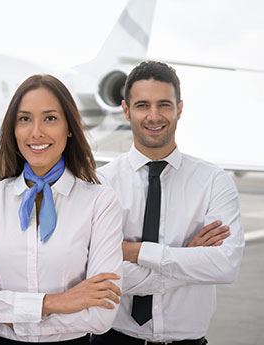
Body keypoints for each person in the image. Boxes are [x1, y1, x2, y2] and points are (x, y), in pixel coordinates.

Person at [0, 74, 124, 344]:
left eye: (50, 118)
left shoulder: (100, 202)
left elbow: (100, 315)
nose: (36, 132)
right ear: (13, 129)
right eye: (24, 119)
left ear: (69, 128)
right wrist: (56, 303)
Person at [92, 61, 244, 344]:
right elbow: (99, 275)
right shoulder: (100, 183)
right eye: (142, 106)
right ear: (126, 110)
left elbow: (225, 265)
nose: (153, 116)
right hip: (113, 338)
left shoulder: (214, 181)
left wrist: (135, 251)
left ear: (180, 109)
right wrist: (188, 258)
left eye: (163, 104)